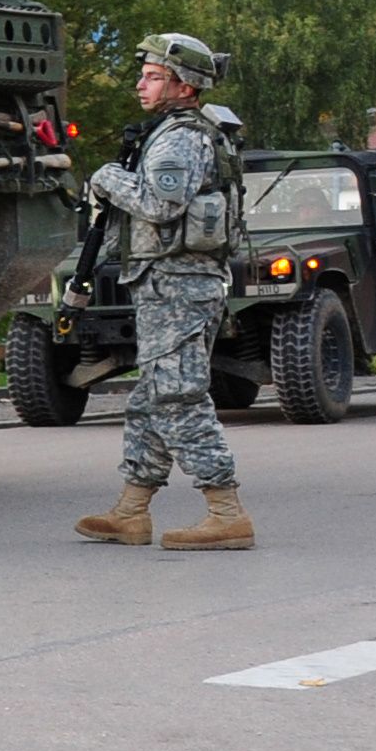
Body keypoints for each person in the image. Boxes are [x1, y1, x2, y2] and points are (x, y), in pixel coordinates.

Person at [74, 32, 256, 551]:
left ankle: (226, 512)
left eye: (153, 77)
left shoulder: (179, 138)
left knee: (176, 395)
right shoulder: (178, 132)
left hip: (178, 284)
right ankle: (132, 510)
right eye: (144, 75)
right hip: (173, 283)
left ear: (185, 86)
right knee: (151, 398)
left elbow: (161, 205)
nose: (141, 84)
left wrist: (108, 178)